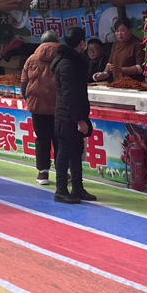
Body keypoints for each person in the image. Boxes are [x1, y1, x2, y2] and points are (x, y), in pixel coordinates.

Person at [51, 26, 96, 204]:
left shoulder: (72, 61)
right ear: (81, 43)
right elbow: (69, 96)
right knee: (64, 153)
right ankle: (61, 190)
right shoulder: (67, 64)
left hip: (73, 114)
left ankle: (77, 187)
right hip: (67, 117)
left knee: (76, 152)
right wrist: (79, 119)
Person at [20, 30, 60, 185]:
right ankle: (62, 171)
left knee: (42, 139)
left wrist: (29, 100)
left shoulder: (31, 59)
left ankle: (42, 173)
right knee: (60, 140)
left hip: (37, 108)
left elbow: (23, 83)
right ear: (57, 40)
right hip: (59, 107)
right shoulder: (64, 57)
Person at [94, 17, 145, 82]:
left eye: (122, 30)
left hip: (133, 83)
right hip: (117, 83)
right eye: (117, 31)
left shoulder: (137, 43)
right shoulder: (116, 43)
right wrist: (105, 73)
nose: (119, 34)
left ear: (129, 30)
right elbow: (110, 62)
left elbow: (140, 68)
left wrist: (121, 69)